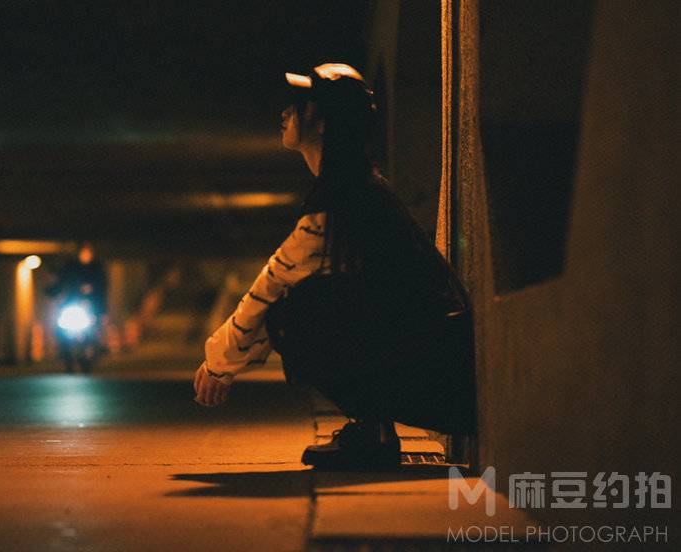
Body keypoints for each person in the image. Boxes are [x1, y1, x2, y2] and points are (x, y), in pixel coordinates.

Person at [194, 63, 475, 469]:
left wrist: (218, 366)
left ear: (323, 122)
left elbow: (271, 284)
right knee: (311, 301)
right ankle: (374, 429)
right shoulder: (357, 188)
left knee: (294, 313)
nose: (285, 113)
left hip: (439, 376)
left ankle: (372, 433)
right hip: (438, 360)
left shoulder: (340, 201)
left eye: (300, 105)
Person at [46, 242, 108, 319]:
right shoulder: (72, 268)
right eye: (83, 253)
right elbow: (63, 281)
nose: (85, 255)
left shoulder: (97, 269)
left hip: (93, 306)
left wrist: (102, 312)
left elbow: (102, 290)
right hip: (73, 303)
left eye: (88, 253)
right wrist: (54, 291)